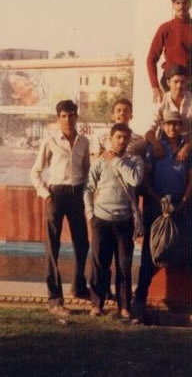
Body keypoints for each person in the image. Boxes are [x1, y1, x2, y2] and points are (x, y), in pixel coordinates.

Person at [133, 111, 192, 321]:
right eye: (168, 124)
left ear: (181, 126)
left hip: (182, 206)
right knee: (150, 254)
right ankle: (140, 298)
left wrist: (184, 202)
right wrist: (157, 200)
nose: (172, 128)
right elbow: (146, 178)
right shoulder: (155, 148)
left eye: (176, 124)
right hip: (157, 206)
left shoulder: (189, 150)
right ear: (163, 125)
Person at [30, 100, 90, 315]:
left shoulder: (84, 141)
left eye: (71, 115)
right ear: (58, 118)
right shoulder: (50, 141)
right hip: (56, 194)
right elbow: (35, 172)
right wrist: (46, 194)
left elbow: (86, 172)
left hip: (76, 195)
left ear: (76, 116)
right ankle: (55, 299)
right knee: (52, 247)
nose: (68, 119)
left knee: (82, 244)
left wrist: (86, 194)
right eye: (63, 116)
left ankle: (79, 286)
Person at [84, 123, 144, 318]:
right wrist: (90, 214)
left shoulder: (135, 161)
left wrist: (117, 161)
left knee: (124, 266)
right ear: (111, 138)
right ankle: (97, 304)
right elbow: (88, 187)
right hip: (101, 219)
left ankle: (124, 306)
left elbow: (134, 180)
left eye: (125, 137)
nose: (122, 141)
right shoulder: (100, 161)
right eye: (118, 137)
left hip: (124, 221)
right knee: (100, 264)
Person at [145, 64, 192, 161]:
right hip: (166, 140)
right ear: (168, 82)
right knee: (141, 148)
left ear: (186, 83)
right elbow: (149, 130)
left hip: (189, 141)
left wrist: (187, 147)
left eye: (183, 82)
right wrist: (156, 143)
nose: (179, 85)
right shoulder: (161, 100)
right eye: (176, 81)